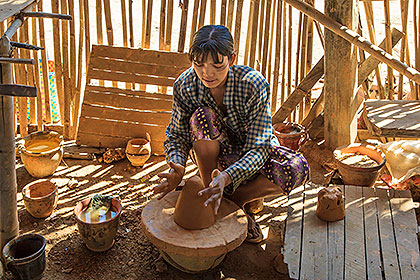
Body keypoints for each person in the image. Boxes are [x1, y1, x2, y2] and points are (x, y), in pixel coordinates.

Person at [154, 25, 309, 243]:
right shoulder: (185, 84)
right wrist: (177, 166)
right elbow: (177, 134)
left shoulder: (253, 84)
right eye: (199, 64)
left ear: (232, 58)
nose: (207, 73)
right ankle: (211, 192)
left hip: (250, 156)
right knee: (201, 117)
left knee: (296, 168)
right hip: (213, 155)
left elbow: (260, 146)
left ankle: (236, 200)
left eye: (217, 65)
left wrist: (228, 177)